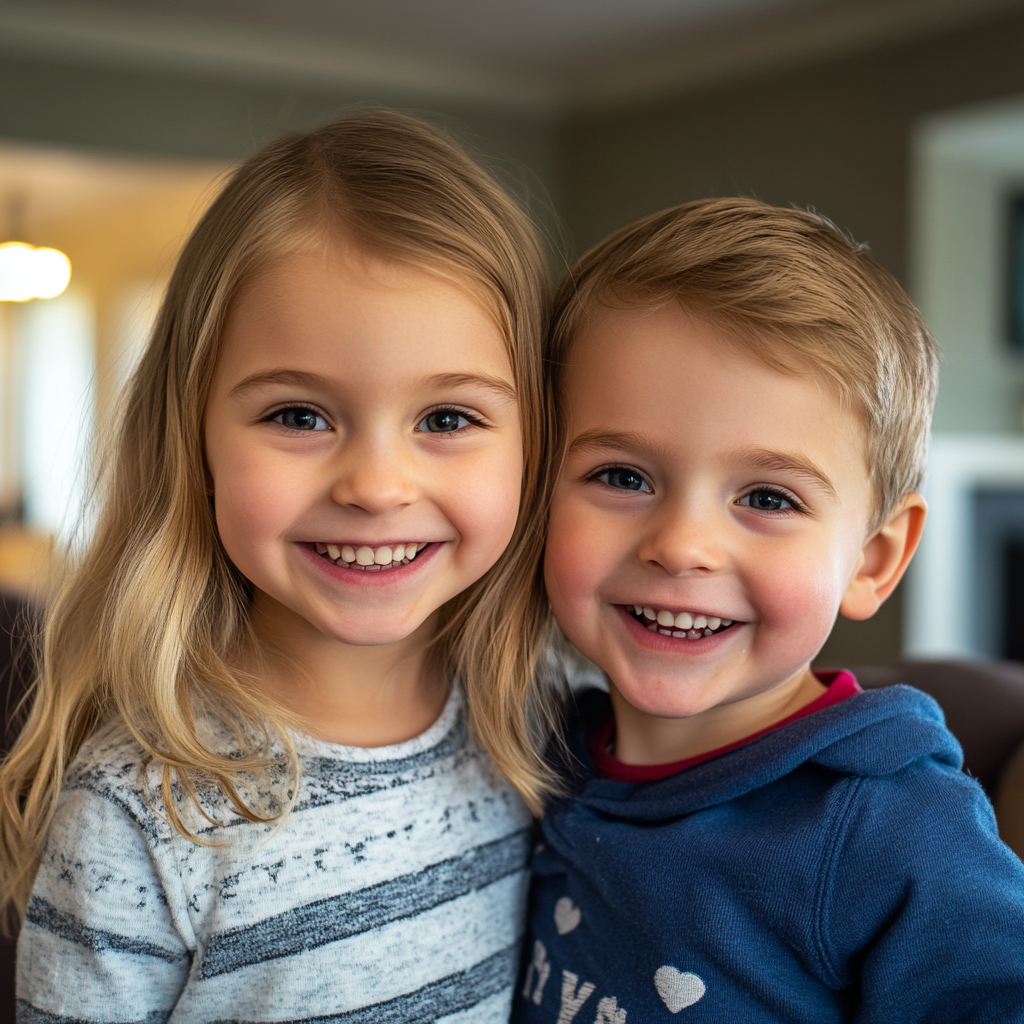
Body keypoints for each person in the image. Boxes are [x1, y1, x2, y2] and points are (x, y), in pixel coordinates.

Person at [1, 110, 561, 1021]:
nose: (378, 487)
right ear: (194, 440)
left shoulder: (537, 722)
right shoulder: (137, 813)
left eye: (447, 420)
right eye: (300, 415)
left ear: (535, 442)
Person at [514, 198, 1024, 1023]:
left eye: (767, 496)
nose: (681, 546)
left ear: (872, 559)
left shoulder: (890, 828)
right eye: (622, 476)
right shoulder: (541, 752)